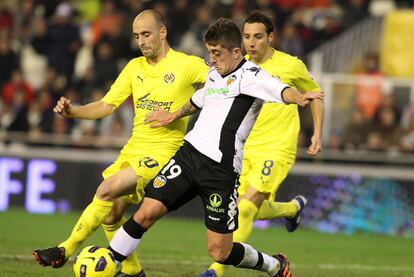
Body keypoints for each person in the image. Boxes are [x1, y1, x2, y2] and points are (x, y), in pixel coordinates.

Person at [107, 18, 322, 277]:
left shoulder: (251, 77)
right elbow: (197, 101)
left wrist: (299, 97)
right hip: (188, 157)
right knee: (145, 213)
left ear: (235, 52)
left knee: (220, 251)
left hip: (220, 172)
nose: (212, 59)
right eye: (209, 52)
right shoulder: (213, 74)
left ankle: (273, 265)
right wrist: (172, 115)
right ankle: (109, 263)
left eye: (217, 53)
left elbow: (281, 90)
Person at [33, 9, 208, 277]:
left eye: (146, 34)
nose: (141, 41)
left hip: (164, 152)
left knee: (106, 189)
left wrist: (182, 111)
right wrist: (74, 111)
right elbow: (106, 104)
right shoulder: (134, 67)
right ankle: (135, 271)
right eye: (137, 36)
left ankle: (64, 250)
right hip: (133, 148)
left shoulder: (188, 65)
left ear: (163, 32)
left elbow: (223, 84)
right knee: (113, 215)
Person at [200, 11, 324, 277]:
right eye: (246, 37)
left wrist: (317, 134)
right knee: (245, 208)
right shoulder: (239, 67)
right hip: (244, 149)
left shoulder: (291, 65)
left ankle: (216, 271)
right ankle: (291, 209)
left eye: (257, 36)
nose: (251, 43)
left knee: (245, 208)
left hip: (277, 149)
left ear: (270, 37)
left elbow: (316, 95)